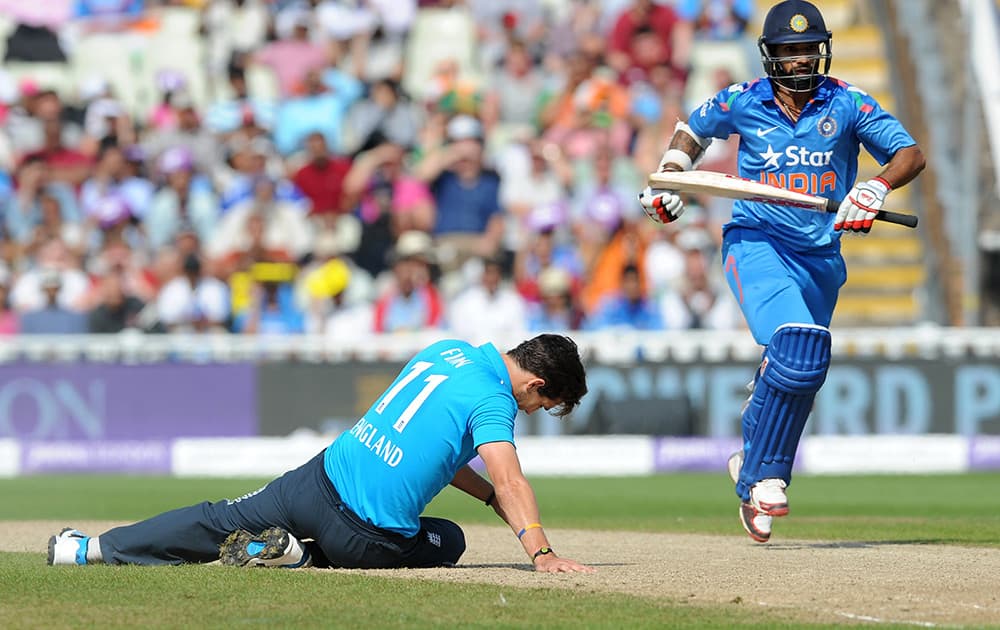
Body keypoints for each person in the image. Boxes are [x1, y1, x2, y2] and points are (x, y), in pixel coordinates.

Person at [638, 0, 925, 543]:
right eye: (787, 52)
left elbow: (909, 153)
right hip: (757, 243)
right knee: (796, 344)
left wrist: (874, 186)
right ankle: (766, 475)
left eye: (806, 50)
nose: (798, 62)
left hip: (821, 256)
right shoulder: (743, 100)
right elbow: (691, 132)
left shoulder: (847, 101)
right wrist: (671, 177)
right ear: (770, 55)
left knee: (805, 363)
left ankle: (751, 456)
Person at [48, 334, 594, 574]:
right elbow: (513, 482)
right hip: (361, 534)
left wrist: (487, 495)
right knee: (448, 539)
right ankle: (299, 558)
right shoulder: (495, 401)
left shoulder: (446, 350)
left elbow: (433, 448)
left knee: (216, 518)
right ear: (536, 383)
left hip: (313, 481)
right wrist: (540, 552)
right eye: (543, 405)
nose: (531, 412)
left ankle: (86, 550)